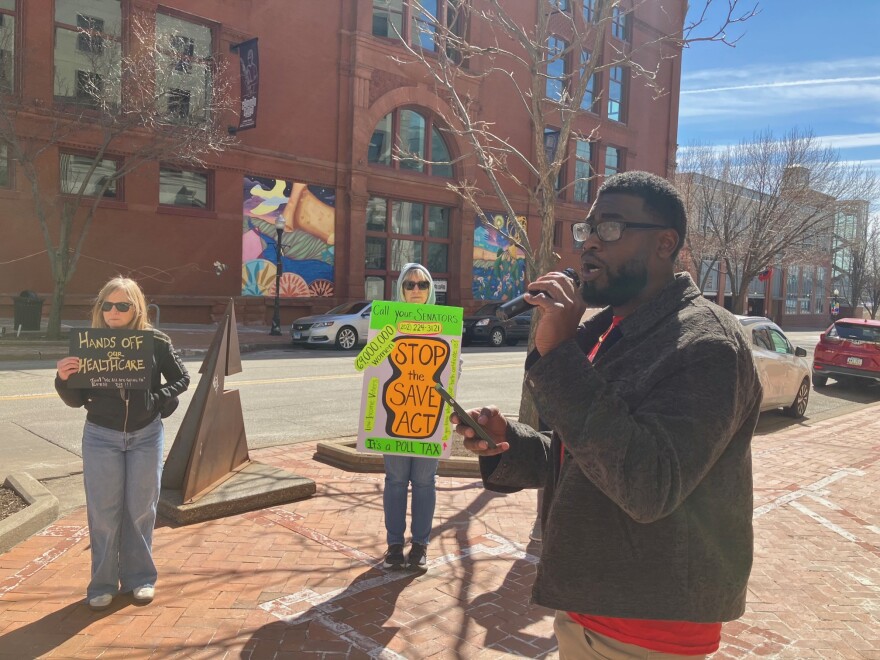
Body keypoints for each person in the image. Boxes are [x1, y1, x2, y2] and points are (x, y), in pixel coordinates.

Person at [454, 171, 762, 659]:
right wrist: (508, 442)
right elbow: (587, 452)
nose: (590, 242)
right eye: (588, 229)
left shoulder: (707, 345)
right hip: (588, 602)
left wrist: (557, 358)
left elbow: (648, 484)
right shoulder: (603, 329)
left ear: (665, 243)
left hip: (650, 624)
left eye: (612, 228)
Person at [55, 277, 190, 611]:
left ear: (136, 308)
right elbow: (75, 400)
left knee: (142, 510)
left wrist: (155, 399)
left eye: (122, 305)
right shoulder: (87, 343)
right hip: (101, 436)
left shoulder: (155, 342)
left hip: (146, 436)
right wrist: (62, 378)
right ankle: (102, 584)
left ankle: (140, 579)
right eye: (108, 305)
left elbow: (182, 378)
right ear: (100, 308)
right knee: (103, 512)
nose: (114, 311)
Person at [381, 263, 440, 573]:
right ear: (400, 290)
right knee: (395, 481)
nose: (416, 290)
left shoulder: (444, 324)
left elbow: (452, 370)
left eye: (423, 285)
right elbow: (367, 363)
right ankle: (394, 544)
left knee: (424, 482)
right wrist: (382, 337)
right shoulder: (387, 321)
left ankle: (419, 545)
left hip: (429, 416)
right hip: (395, 415)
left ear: (430, 290)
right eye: (410, 284)